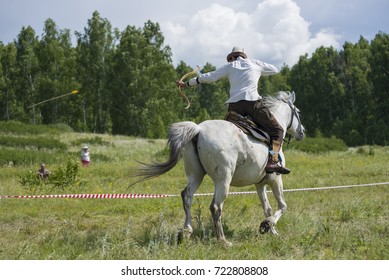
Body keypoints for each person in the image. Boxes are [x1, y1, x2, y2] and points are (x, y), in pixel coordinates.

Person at [176, 46, 290, 174]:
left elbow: (209, 77)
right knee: (277, 130)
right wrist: (258, 69)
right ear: (243, 55)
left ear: (232, 57)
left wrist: (187, 84)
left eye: (230, 59)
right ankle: (273, 161)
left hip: (234, 107)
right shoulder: (254, 63)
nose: (230, 61)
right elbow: (274, 70)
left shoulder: (230, 66)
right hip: (253, 104)